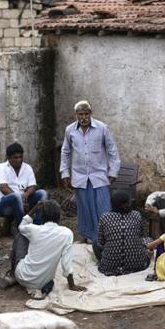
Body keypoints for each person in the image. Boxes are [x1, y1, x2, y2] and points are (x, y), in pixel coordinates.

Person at [0, 201, 85, 296]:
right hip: (42, 283)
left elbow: (21, 227)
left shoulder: (34, 229)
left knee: (21, 235)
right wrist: (72, 285)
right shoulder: (67, 233)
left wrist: (34, 209)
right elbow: (66, 263)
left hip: (22, 277)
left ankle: (12, 275)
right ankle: (14, 276)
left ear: (42, 217)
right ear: (59, 217)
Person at [60, 100, 120, 243]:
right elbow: (65, 151)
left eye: (86, 114)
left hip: (99, 176)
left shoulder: (102, 128)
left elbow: (112, 150)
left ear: (90, 113)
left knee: (103, 209)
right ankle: (87, 236)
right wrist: (65, 172)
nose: (84, 118)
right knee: (84, 208)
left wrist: (113, 171)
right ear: (76, 115)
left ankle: (107, 239)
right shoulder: (70, 130)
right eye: (80, 114)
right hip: (80, 176)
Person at [93, 190, 150, 276]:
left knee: (95, 243)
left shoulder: (104, 217)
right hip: (138, 265)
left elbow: (101, 242)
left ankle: (108, 262)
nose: (131, 203)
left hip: (109, 267)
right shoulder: (136, 215)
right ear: (125, 204)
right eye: (129, 202)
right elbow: (142, 235)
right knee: (146, 241)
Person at [0, 142, 48, 228]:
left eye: (20, 157)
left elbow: (32, 186)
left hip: (23, 201)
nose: (19, 160)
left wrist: (25, 195)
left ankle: (37, 226)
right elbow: (3, 188)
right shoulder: (0, 168)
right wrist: (20, 198)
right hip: (3, 205)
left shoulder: (27, 168)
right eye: (16, 157)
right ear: (9, 158)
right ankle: (22, 228)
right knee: (16, 196)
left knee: (43, 194)